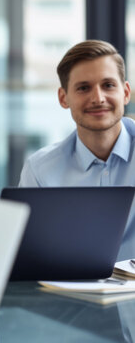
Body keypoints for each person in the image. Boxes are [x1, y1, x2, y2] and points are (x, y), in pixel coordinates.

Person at [19, 40, 135, 261]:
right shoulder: (40, 171)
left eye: (108, 85)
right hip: (70, 293)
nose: (98, 98)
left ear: (126, 92)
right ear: (64, 98)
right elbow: (30, 257)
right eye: (84, 88)